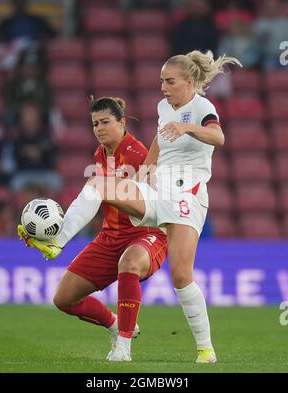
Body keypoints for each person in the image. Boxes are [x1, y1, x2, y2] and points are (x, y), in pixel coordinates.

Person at [18, 51, 242, 363]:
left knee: (181, 276)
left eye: (169, 81)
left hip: (186, 196)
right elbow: (160, 142)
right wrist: (143, 176)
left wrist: (187, 128)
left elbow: (218, 136)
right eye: (161, 80)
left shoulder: (203, 107)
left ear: (189, 82)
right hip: (158, 189)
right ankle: (57, 241)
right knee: (98, 183)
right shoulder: (164, 107)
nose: (162, 86)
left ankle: (206, 349)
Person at [18, 97, 167, 362]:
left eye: (105, 122)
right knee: (63, 298)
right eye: (95, 123)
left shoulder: (139, 155)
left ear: (122, 123)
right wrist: (51, 234)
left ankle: (123, 347)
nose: (99, 128)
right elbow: (91, 200)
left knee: (130, 263)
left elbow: (150, 203)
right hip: (111, 236)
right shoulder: (100, 154)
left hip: (146, 233)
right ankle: (114, 324)